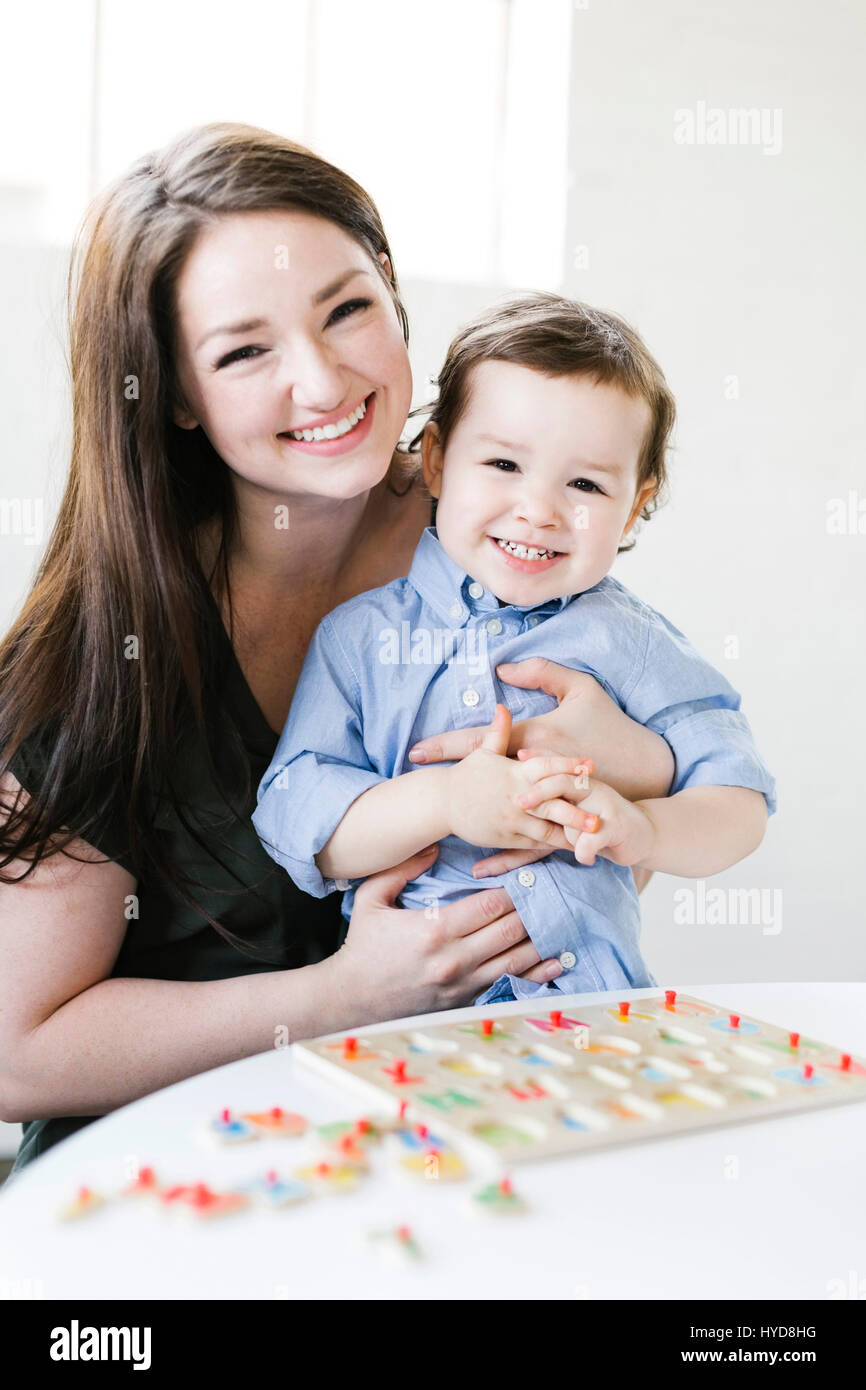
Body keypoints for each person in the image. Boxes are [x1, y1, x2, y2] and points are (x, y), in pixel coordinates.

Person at [0, 127, 675, 1179]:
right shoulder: (101, 654)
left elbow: (667, 757)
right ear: (174, 393)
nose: (321, 381)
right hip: (165, 1181)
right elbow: (18, 1051)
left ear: (394, 295)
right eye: (242, 351)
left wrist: (629, 758)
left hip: (454, 1144)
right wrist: (339, 1000)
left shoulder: (494, 521)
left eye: (346, 309)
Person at [253, 294, 776, 1002]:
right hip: (404, 1019)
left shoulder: (635, 643)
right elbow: (297, 821)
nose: (540, 510)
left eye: (587, 483)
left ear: (636, 504)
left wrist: (645, 828)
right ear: (435, 460)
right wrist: (445, 801)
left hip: (588, 1009)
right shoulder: (359, 639)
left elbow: (739, 806)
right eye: (503, 463)